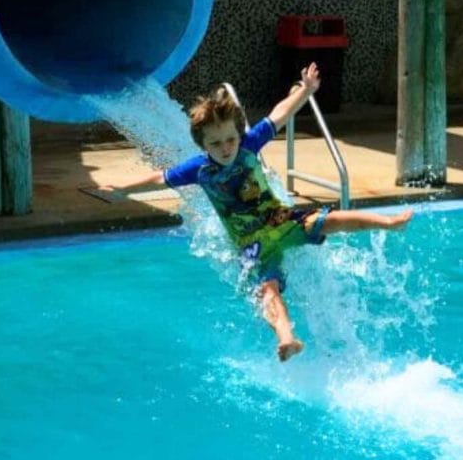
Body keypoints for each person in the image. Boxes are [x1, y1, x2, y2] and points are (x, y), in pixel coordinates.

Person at [107, 62, 413, 362]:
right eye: (216, 143)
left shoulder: (250, 145)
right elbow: (161, 178)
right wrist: (123, 190)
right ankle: (286, 338)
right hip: (251, 244)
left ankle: (387, 222)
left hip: (279, 220)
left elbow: (278, 114)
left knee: (328, 220)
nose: (226, 148)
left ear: (239, 134)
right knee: (267, 289)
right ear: (202, 144)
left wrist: (305, 91)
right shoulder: (197, 169)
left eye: (230, 139)